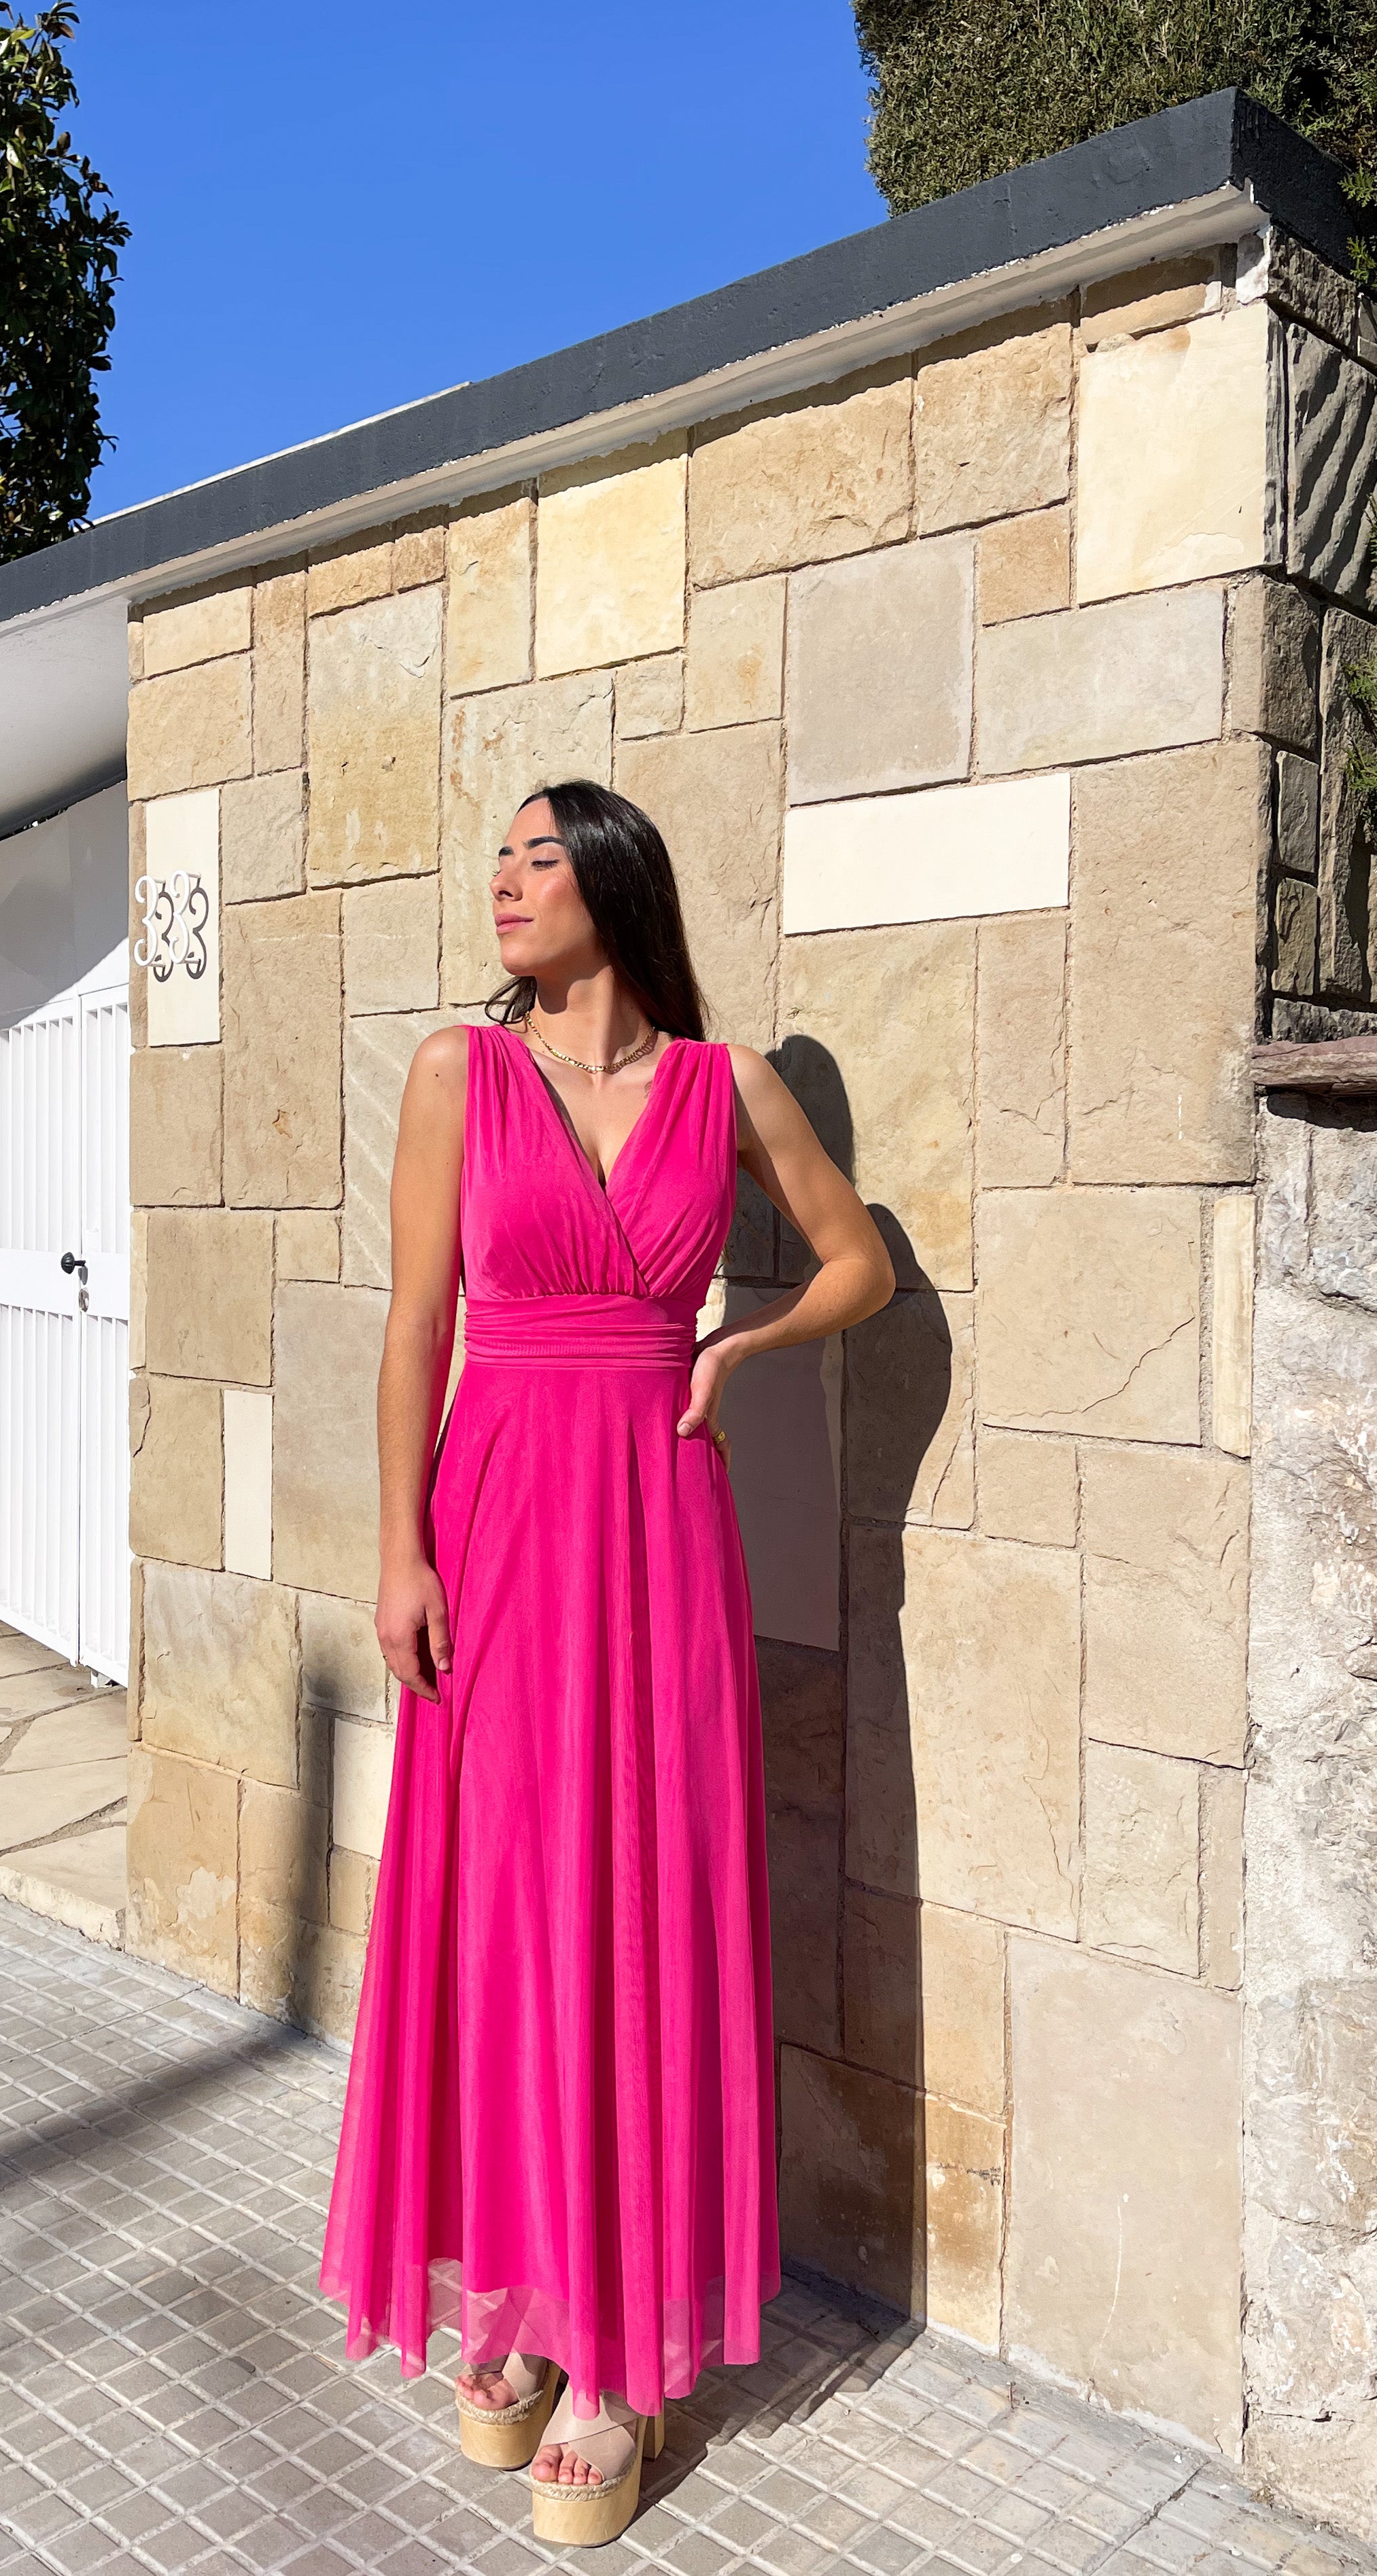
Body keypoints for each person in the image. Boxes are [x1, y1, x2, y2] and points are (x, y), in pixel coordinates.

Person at [319, 780, 894, 2547]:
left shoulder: (725, 1090)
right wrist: (402, 1544)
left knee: (639, 1912)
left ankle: (617, 2364)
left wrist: (747, 1334)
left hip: (656, 1539)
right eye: (495, 858)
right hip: (493, 1528)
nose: (502, 883)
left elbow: (862, 1265)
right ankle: (512, 2288)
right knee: (505, 1911)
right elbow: (419, 1320)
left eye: (539, 858)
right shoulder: (454, 1076)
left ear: (619, 888)